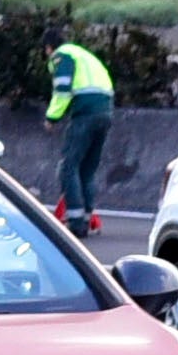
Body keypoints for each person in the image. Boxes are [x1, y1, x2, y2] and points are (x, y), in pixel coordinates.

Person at [44, 36, 120, 230]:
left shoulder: (62, 55)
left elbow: (62, 90)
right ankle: (85, 218)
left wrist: (52, 117)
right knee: (87, 169)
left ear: (49, 48)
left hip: (85, 114)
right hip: (106, 112)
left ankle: (76, 222)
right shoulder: (84, 55)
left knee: (69, 167)